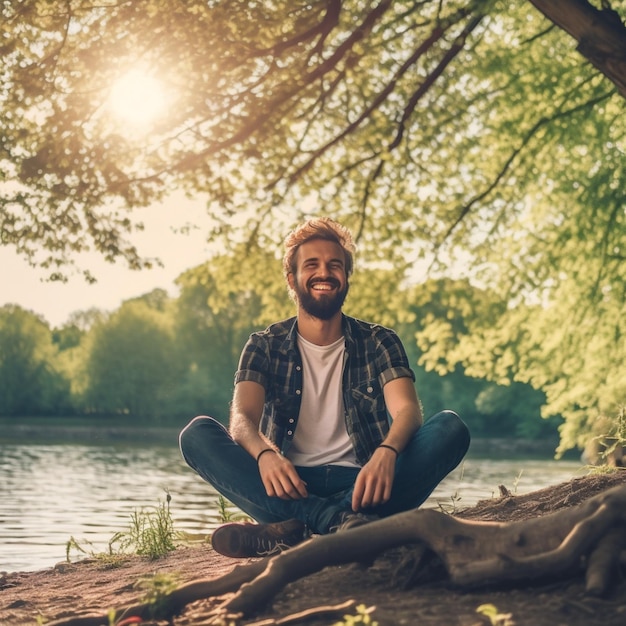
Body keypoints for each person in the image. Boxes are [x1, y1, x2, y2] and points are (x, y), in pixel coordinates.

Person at [179, 217, 470, 558]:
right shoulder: (263, 345)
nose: (324, 273)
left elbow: (407, 410)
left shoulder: (380, 341)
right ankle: (341, 523)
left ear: (346, 277)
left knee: (451, 428)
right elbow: (242, 419)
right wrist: (266, 455)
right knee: (196, 436)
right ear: (293, 278)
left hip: (366, 482)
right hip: (287, 485)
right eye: (312, 265)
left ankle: (295, 531)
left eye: (335, 265)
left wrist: (387, 452)